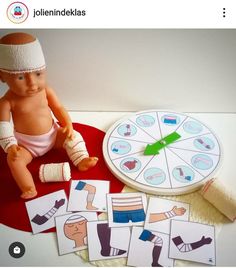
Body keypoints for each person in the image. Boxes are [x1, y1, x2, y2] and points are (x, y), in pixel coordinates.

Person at [0, 32, 98, 199]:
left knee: (74, 136)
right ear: (2, 76)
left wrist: (67, 123)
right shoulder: (6, 101)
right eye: (21, 77)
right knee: (14, 161)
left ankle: (81, 160)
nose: (32, 83)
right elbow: (3, 126)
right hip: (26, 145)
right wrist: (10, 146)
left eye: (38, 74)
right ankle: (29, 187)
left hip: (53, 135)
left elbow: (58, 107)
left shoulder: (46, 90)